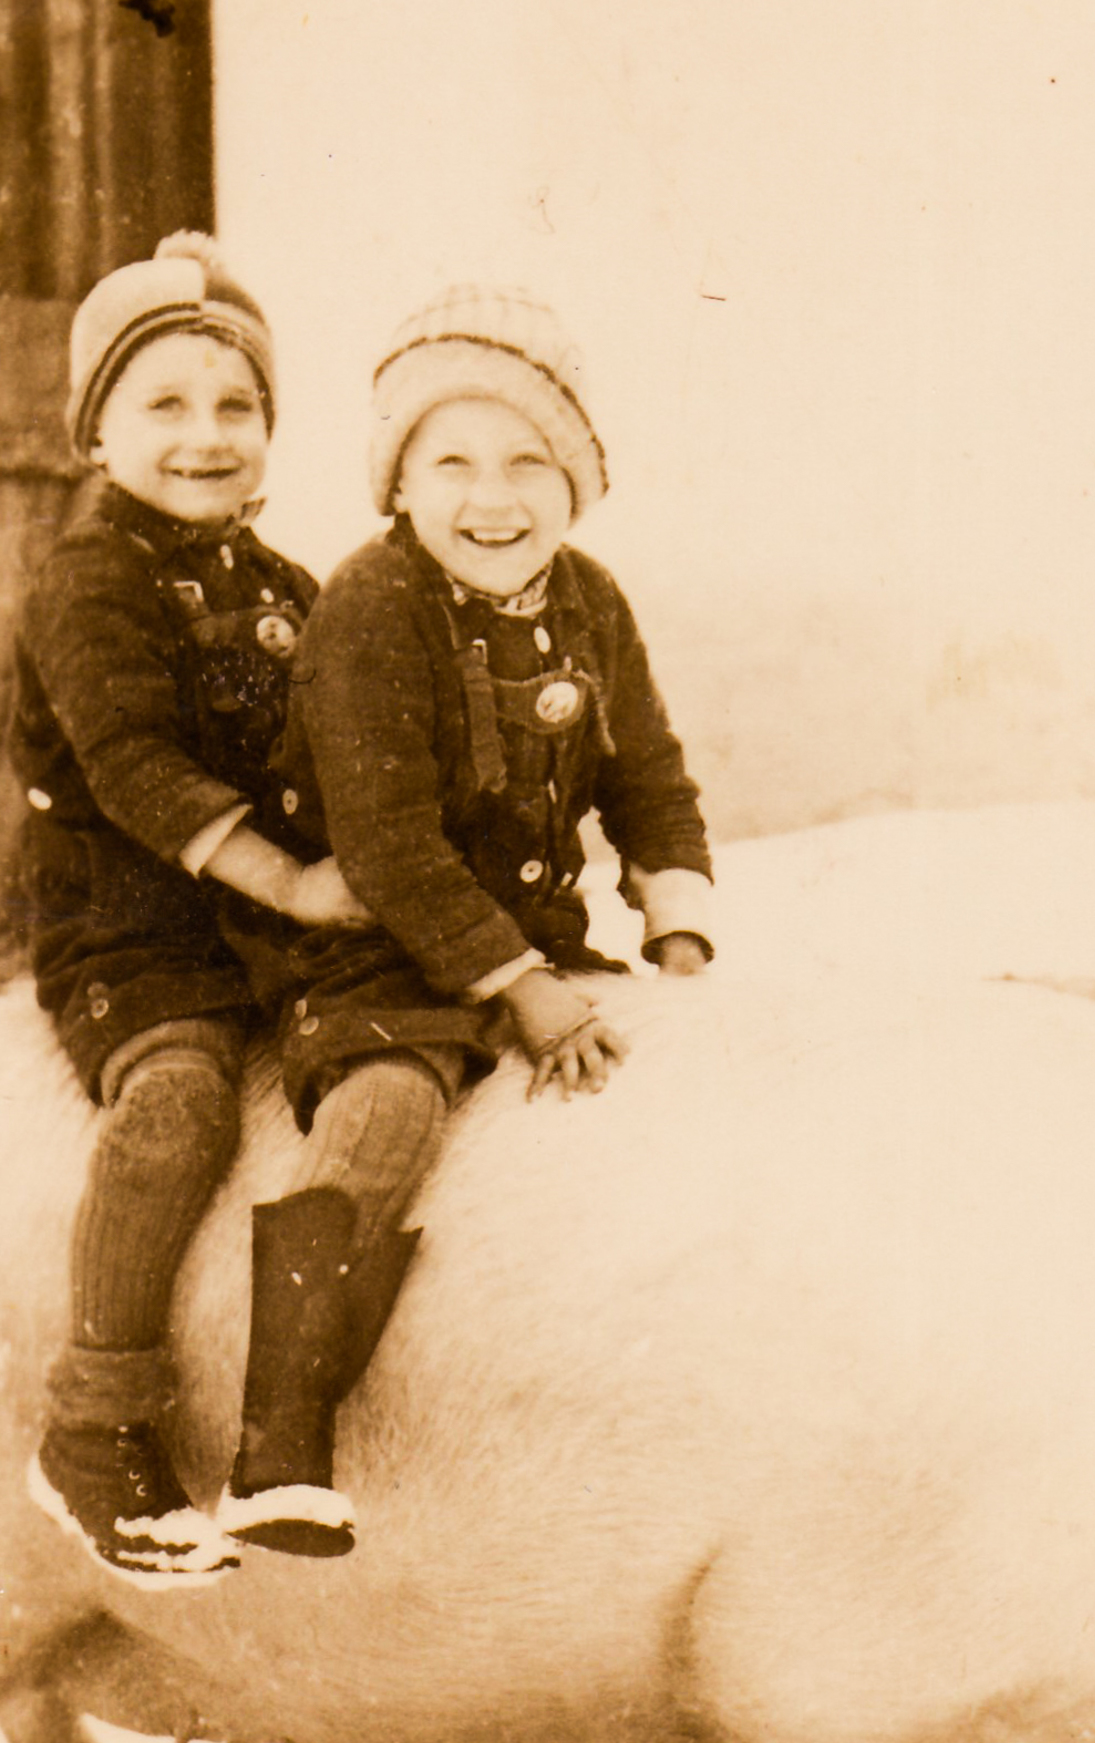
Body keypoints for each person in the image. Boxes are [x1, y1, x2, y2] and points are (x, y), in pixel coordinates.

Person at [217, 284, 715, 1559]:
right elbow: (388, 845)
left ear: (577, 484)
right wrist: (520, 986)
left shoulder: (591, 600)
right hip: (373, 949)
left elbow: (649, 778)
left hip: (535, 938)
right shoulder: (371, 606)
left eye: (530, 463)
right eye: (453, 464)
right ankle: (278, 1441)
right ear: (398, 482)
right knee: (388, 1109)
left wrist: (677, 932)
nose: (494, 499)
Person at [10, 232, 369, 1586]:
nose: (206, 435)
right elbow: (135, 769)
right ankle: (95, 1421)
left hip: (258, 930)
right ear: (96, 435)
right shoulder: (87, 579)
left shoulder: (283, 589)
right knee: (181, 1108)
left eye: (237, 404)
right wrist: (292, 883)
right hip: (130, 926)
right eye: (163, 404)